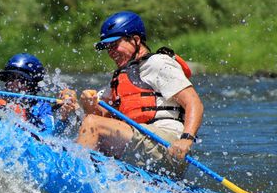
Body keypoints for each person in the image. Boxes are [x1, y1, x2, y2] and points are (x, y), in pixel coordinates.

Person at [76, 11, 204, 178]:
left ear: (135, 40)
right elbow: (99, 119)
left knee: (93, 123)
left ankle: (78, 174)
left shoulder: (157, 63)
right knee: (91, 121)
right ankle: (94, 176)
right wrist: (87, 104)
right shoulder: (118, 78)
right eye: (108, 47)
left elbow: (194, 103)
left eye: (115, 44)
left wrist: (186, 140)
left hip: (167, 144)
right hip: (143, 147)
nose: (111, 52)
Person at [0, 53, 79, 136]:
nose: (13, 83)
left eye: (21, 79)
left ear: (32, 84)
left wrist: (63, 117)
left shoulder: (41, 106)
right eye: (10, 77)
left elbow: (50, 137)